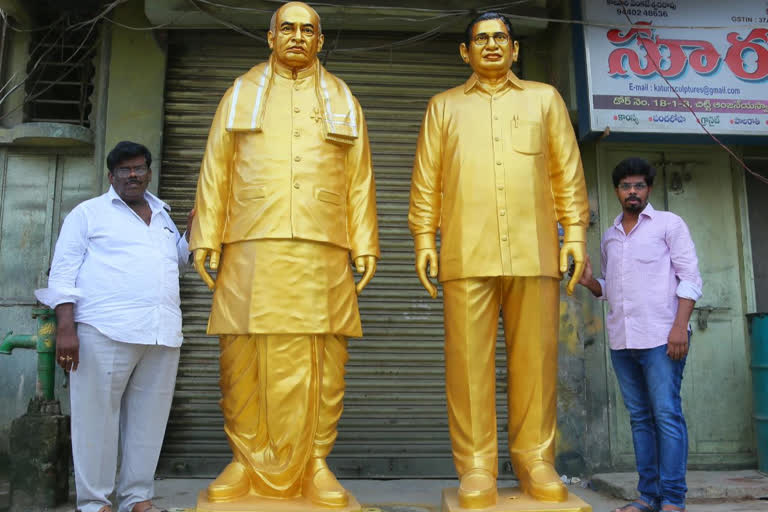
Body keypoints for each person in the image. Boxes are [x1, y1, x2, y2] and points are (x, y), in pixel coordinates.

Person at [189, 2, 379, 507]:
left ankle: (316, 461)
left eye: (308, 30)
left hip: (323, 241)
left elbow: (359, 176)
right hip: (251, 238)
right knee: (242, 352)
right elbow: (216, 167)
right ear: (269, 37)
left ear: (320, 41)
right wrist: (205, 235)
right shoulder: (240, 94)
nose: (297, 36)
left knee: (325, 353)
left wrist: (364, 241)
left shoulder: (342, 98)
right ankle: (243, 459)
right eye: (287, 28)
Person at [408, 12, 589, 509]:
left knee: (536, 362)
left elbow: (566, 172)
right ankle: (477, 467)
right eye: (481, 39)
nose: (491, 46)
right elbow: (427, 181)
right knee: (467, 367)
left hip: (535, 251)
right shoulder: (443, 108)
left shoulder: (544, 100)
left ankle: (536, 459)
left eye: (500, 38)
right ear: (465, 52)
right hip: (466, 251)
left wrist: (574, 233)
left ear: (515, 49)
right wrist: (425, 239)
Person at [34, 141, 193, 512]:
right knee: (96, 422)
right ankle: (95, 503)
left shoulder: (163, 215)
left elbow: (179, 263)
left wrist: (192, 233)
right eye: (124, 170)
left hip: (161, 333)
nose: (133, 175)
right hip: (103, 331)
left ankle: (137, 498)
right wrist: (66, 329)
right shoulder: (88, 214)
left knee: (149, 422)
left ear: (149, 172)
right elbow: (63, 273)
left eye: (139, 168)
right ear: (111, 176)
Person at [577, 157, 701, 512]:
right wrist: (590, 284)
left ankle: (673, 499)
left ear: (649, 188)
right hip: (623, 342)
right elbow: (612, 289)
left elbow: (690, 278)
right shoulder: (611, 236)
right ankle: (648, 496)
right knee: (640, 419)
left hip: (664, 338)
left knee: (666, 415)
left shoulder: (669, 225)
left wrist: (679, 328)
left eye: (639, 185)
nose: (633, 192)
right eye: (626, 186)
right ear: (617, 191)